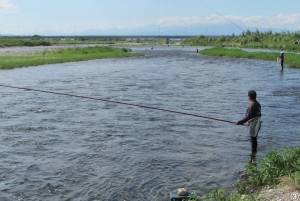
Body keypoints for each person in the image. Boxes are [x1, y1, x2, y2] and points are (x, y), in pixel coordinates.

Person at [236, 90, 262, 161]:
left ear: (250, 96)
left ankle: (253, 154)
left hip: (254, 125)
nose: (247, 96)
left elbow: (249, 117)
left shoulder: (252, 105)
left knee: (253, 139)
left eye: (248, 95)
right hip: (257, 124)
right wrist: (242, 122)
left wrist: (239, 122)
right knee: (254, 139)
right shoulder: (257, 103)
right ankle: (254, 153)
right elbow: (254, 116)